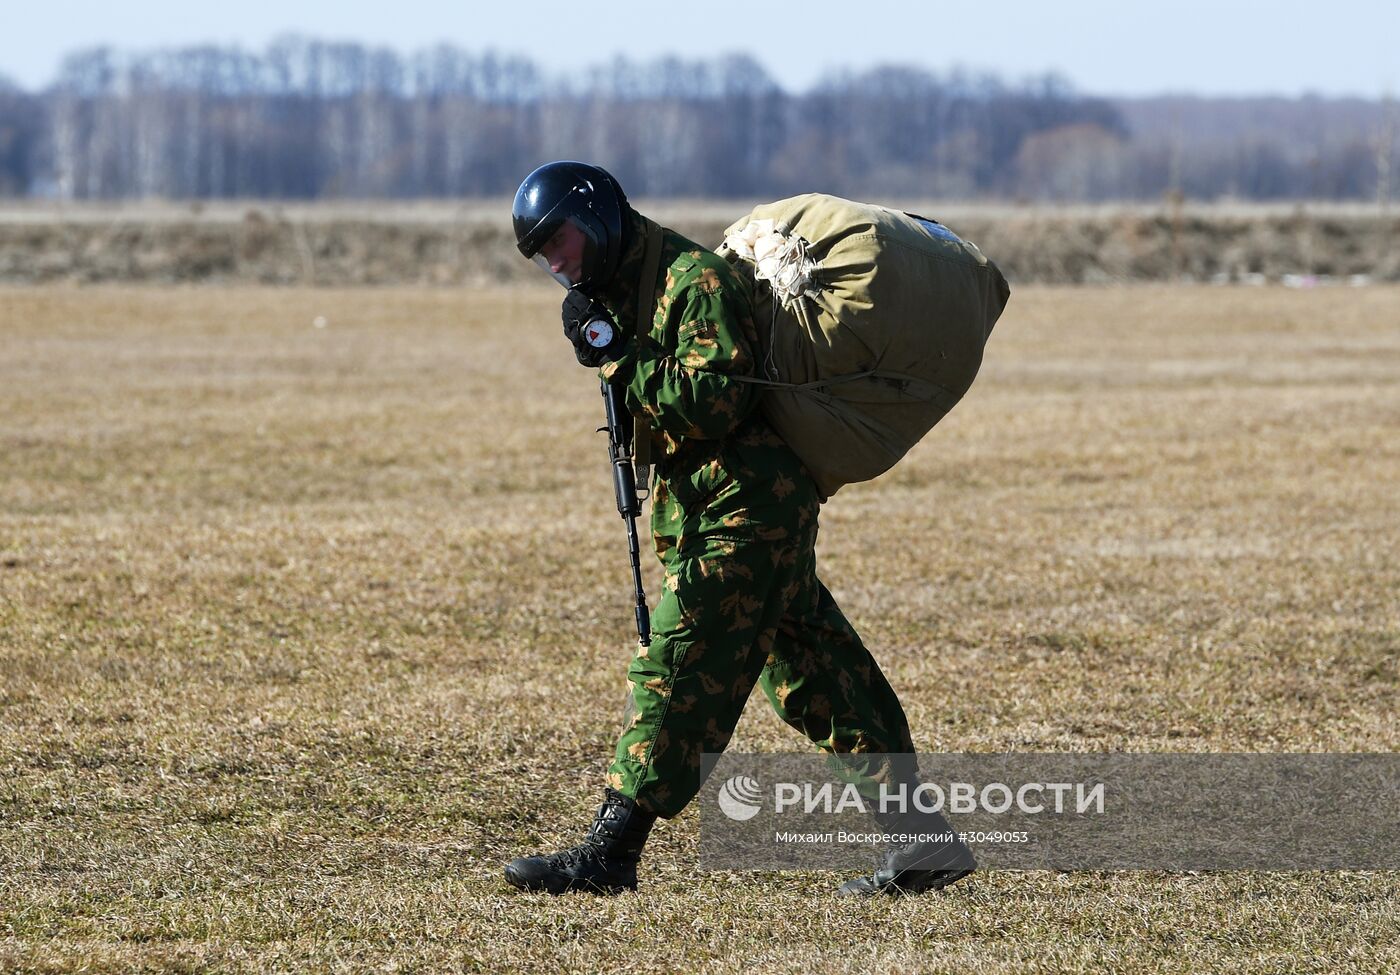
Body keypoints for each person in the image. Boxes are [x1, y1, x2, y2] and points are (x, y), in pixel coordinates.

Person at [504, 160, 973, 896]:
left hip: (746, 513)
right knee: (825, 676)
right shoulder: (621, 293)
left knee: (680, 662)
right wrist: (612, 346)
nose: (555, 262)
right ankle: (923, 841)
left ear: (597, 216)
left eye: (559, 239)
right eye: (542, 254)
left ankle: (611, 850)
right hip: (732, 511)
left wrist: (617, 354)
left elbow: (712, 402)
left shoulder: (694, 282)